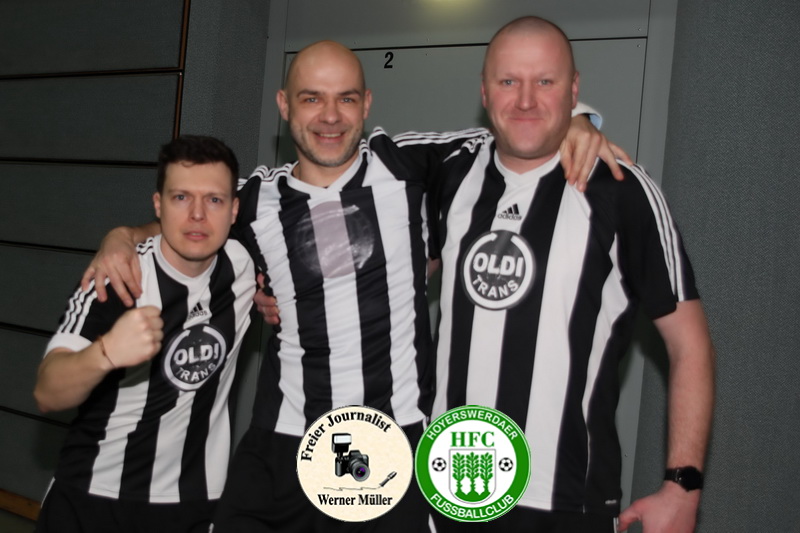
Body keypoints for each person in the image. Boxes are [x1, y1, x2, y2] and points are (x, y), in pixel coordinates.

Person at [80, 41, 629, 532]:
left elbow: (516, 128)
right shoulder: (256, 199)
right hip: (285, 443)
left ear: (366, 105)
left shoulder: (410, 165)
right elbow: (189, 222)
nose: (330, 116)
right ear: (284, 105)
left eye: (345, 99)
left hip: (393, 441)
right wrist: (122, 236)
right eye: (311, 98)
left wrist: (577, 119)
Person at [426, 17, 715, 533]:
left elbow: (689, 344)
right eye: (509, 81)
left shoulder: (624, 190)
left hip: (566, 500)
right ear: (484, 91)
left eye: (546, 81)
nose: (526, 100)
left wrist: (683, 485)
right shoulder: (448, 174)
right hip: (446, 489)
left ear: (574, 89)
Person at [33, 136, 256, 533]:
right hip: (95, 495)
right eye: (181, 198)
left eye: (214, 200)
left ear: (234, 209)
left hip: (194, 501)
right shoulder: (118, 278)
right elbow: (48, 393)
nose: (198, 215)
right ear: (158, 204)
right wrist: (105, 353)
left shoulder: (242, 264)